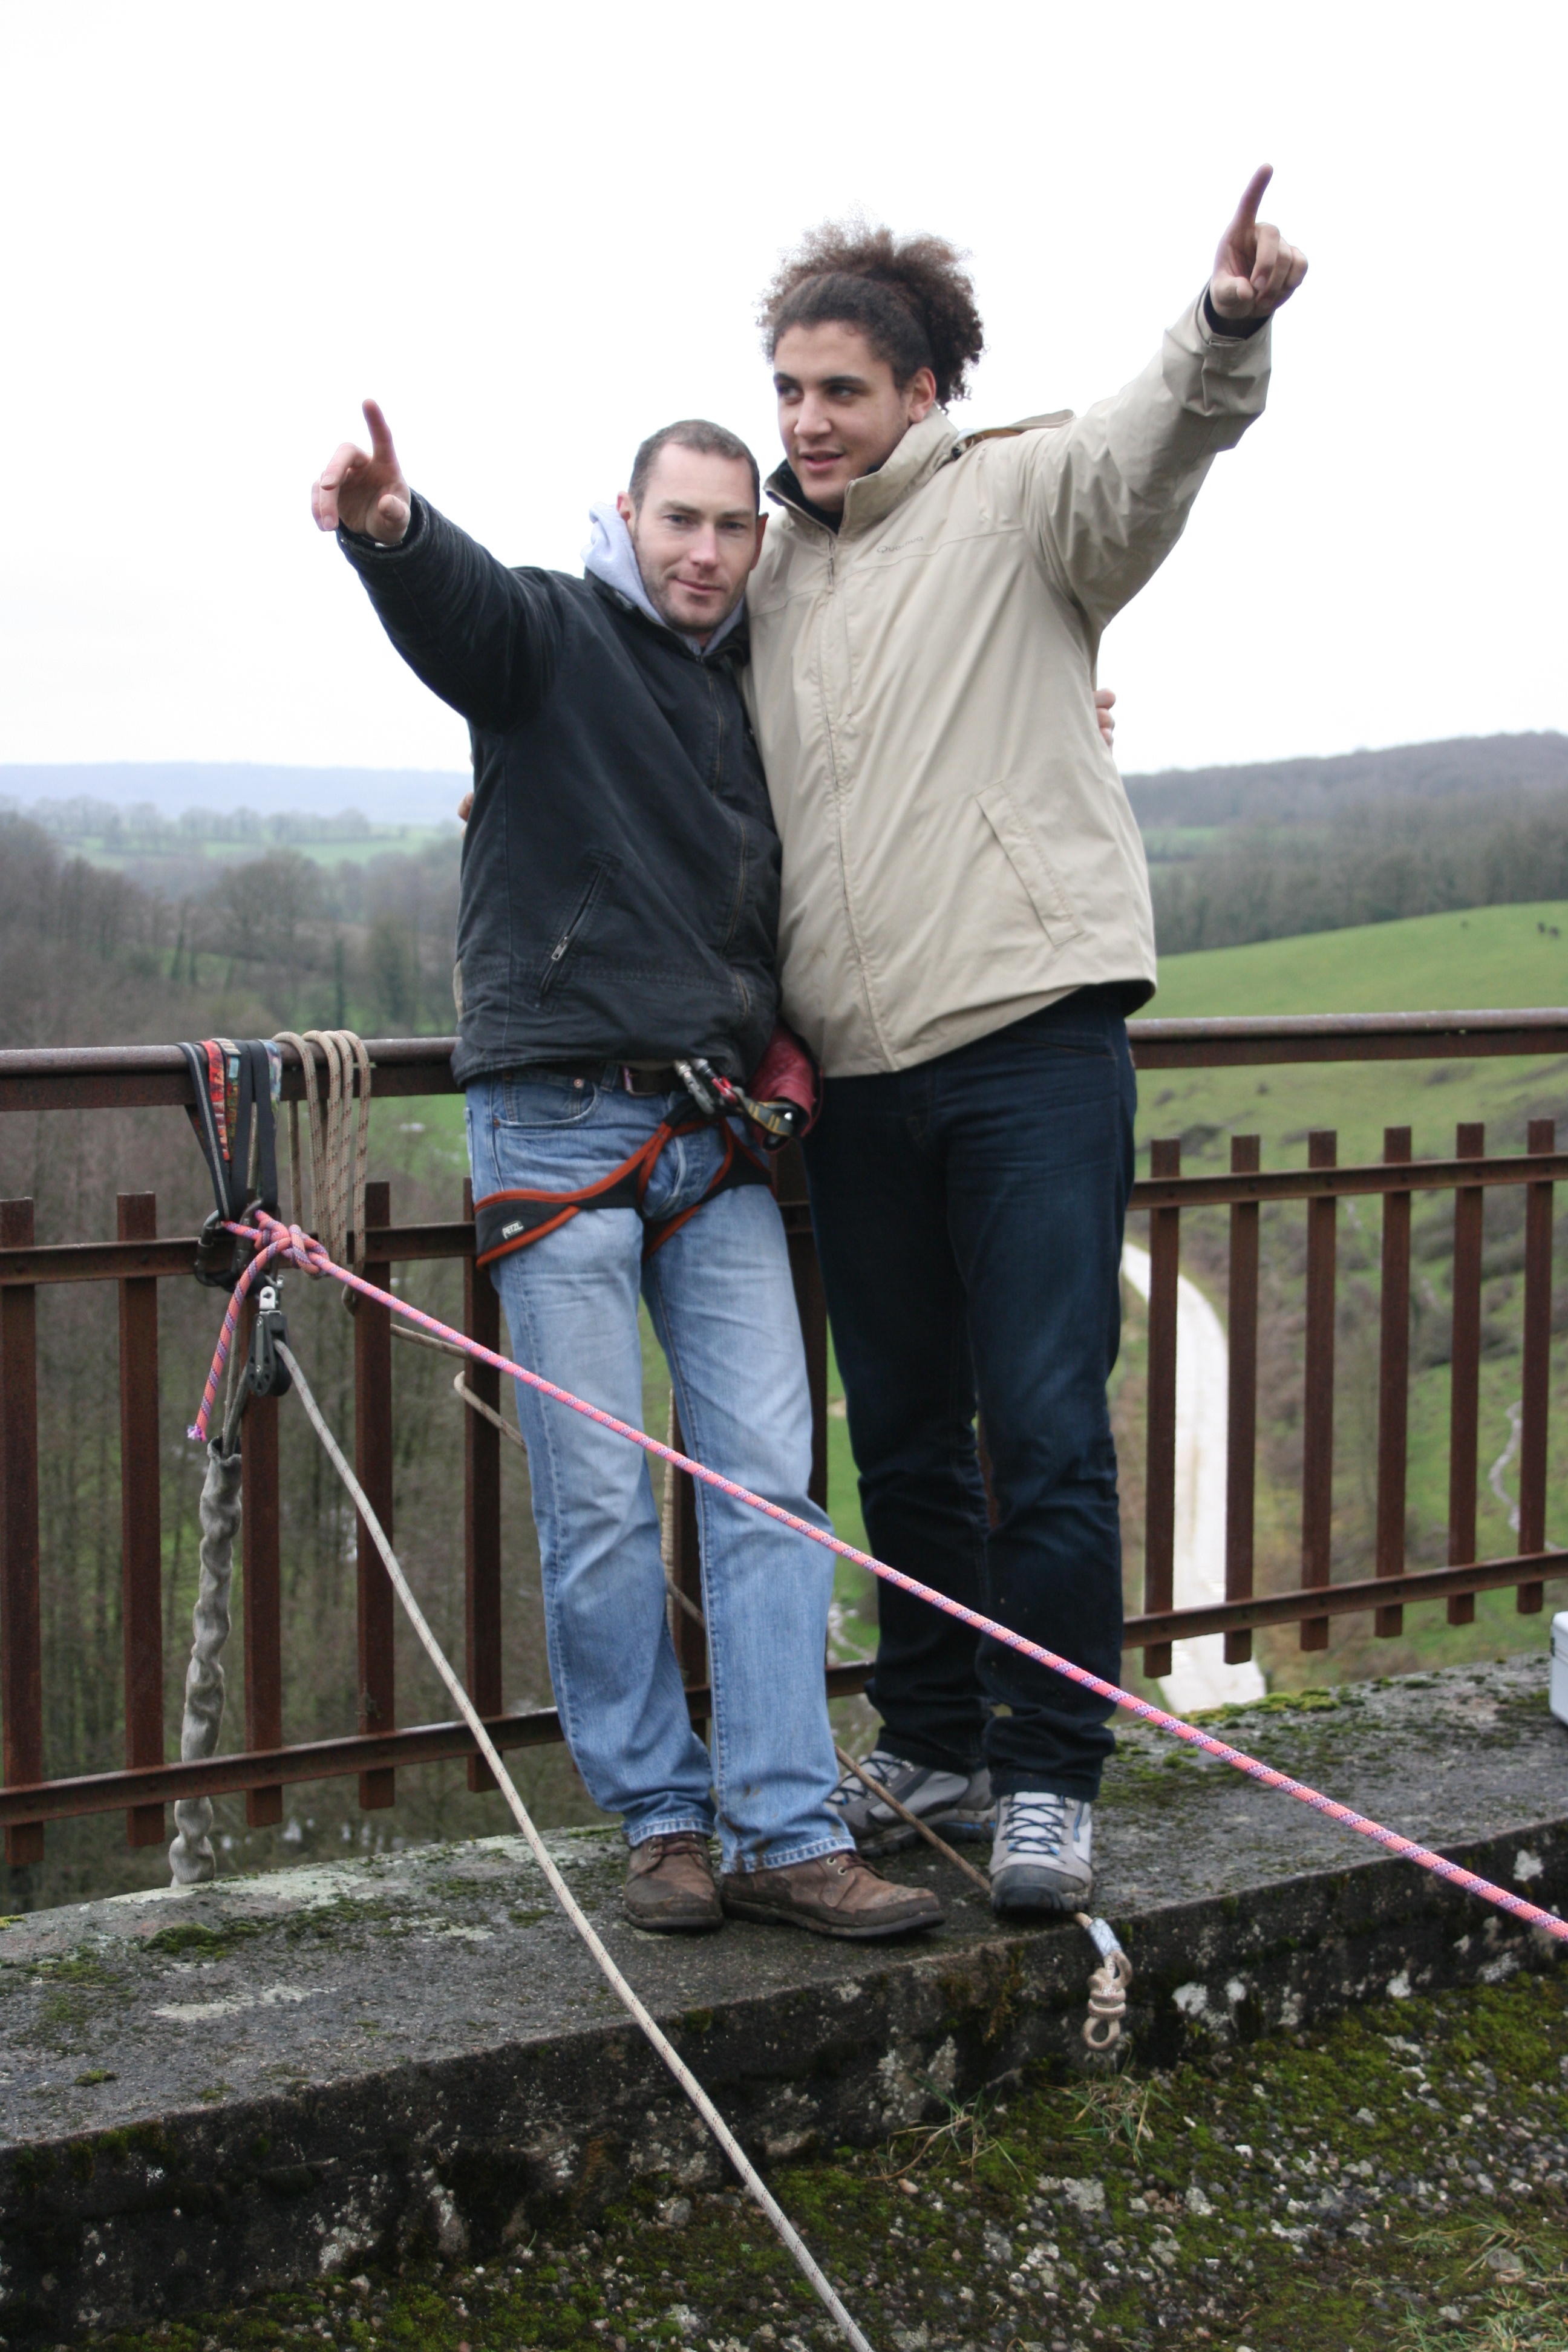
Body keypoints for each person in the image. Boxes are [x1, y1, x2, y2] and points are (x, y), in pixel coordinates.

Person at [743, 168, 1307, 1915]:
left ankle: (1054, 1767)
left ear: (922, 394)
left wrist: (1222, 324)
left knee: (1044, 1423)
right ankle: (937, 1739)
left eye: (844, 388)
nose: (812, 421)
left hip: (1027, 1039)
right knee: (902, 1426)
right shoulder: (770, 580)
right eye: (790, 391)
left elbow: (1153, 445)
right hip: (853, 1069)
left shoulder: (1021, 503)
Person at [311, 407, 942, 1944]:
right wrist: (394, 534)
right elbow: (471, 617)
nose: (709, 554)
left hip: (711, 1138)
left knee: (771, 1488)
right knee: (598, 1499)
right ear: (628, 520)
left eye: (735, 529)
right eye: (683, 524)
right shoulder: (558, 638)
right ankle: (664, 1818)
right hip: (558, 1129)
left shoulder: (762, 692)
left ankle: (788, 1830)